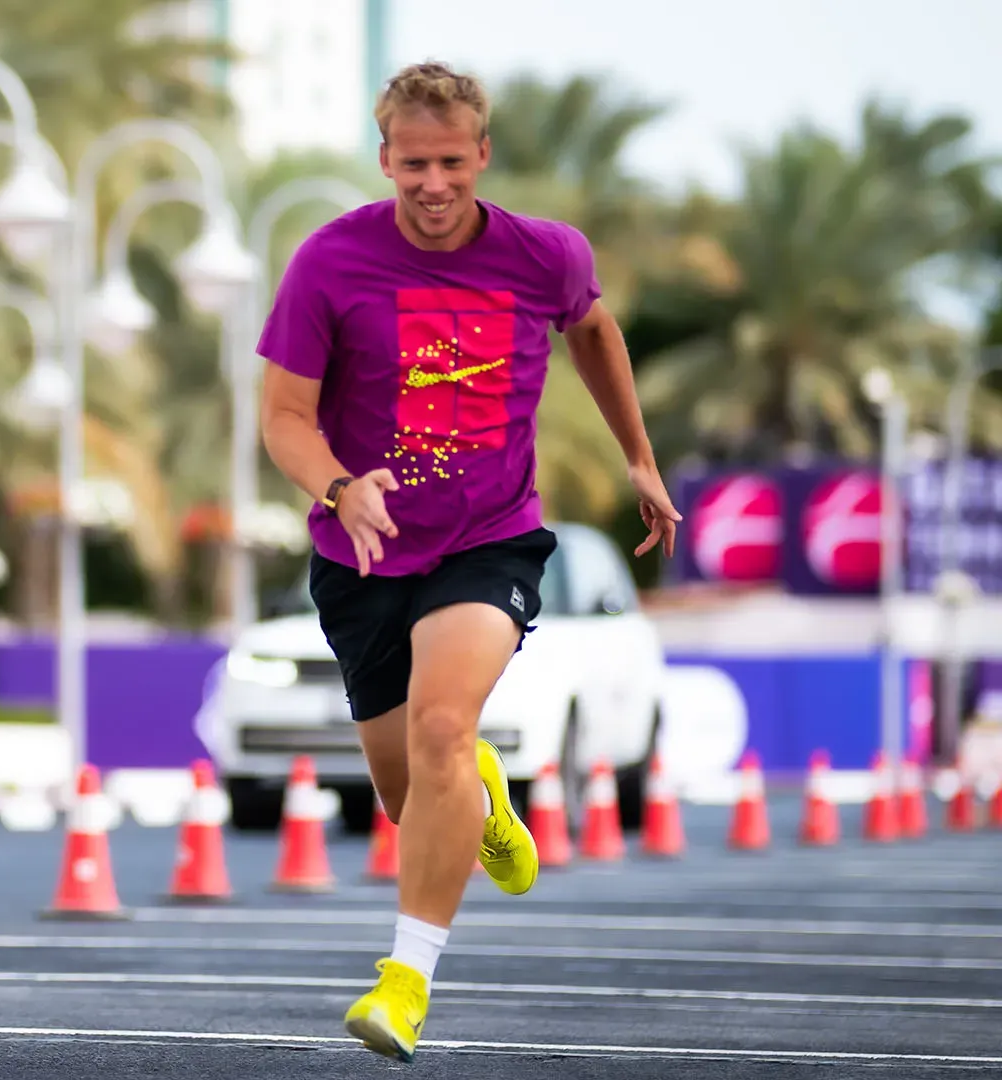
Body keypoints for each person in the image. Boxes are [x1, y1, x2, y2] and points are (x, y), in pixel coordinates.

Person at [256, 62, 680, 1062]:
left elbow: (595, 331)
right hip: (357, 552)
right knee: (413, 797)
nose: (435, 185)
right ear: (385, 160)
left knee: (446, 724)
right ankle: (478, 788)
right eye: (414, 165)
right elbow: (282, 416)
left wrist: (639, 456)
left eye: (452, 162)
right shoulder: (329, 262)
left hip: (489, 539)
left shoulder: (546, 256)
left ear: (483, 154)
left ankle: (405, 981)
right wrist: (336, 485)